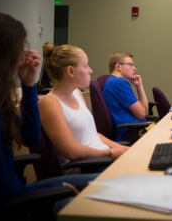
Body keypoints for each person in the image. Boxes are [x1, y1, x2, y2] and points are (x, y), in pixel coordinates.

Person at [0, 12, 97, 219]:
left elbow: (30, 137)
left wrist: (28, 84)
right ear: (3, 55)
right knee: (99, 199)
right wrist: (53, 187)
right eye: (20, 49)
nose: (23, 56)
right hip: (14, 206)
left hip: (17, 195)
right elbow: (2, 196)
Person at [39, 43, 129, 173]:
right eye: (86, 66)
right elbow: (71, 151)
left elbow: (92, 134)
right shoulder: (50, 103)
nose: (90, 70)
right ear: (71, 71)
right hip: (84, 167)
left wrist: (120, 148)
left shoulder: (77, 93)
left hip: (101, 159)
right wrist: (109, 153)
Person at [103, 52, 153, 142]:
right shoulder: (119, 83)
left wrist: (139, 86)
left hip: (133, 129)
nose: (135, 69)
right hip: (131, 132)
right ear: (118, 66)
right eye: (131, 65)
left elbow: (145, 112)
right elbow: (142, 114)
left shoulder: (112, 82)